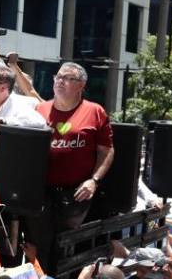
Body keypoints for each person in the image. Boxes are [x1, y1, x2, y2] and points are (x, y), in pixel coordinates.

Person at [29, 62, 113, 258]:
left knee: (66, 250)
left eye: (68, 78)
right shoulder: (39, 110)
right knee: (39, 248)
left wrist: (94, 180)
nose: (60, 81)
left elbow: (107, 150)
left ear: (81, 85)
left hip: (76, 195)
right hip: (41, 193)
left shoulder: (95, 111)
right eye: (58, 77)